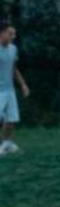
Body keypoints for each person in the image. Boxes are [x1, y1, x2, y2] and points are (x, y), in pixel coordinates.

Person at [0, 20, 29, 155]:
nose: (13, 36)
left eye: (14, 34)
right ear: (2, 33)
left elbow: (14, 68)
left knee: (11, 119)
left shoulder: (13, 49)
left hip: (9, 89)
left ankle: (7, 143)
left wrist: (22, 84)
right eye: (10, 33)